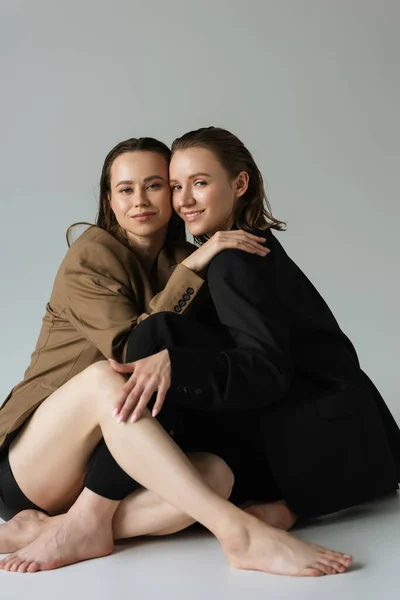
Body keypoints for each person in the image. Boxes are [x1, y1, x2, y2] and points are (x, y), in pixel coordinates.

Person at [28, 124, 398, 573]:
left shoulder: (210, 256)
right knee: (143, 351)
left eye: (167, 186)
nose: (156, 200)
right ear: (110, 201)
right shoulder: (100, 256)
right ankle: (111, 519)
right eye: (127, 190)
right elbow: (131, 348)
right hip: (46, 449)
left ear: (239, 184)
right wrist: (185, 311)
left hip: (122, 441)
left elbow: (254, 358)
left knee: (215, 479)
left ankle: (54, 529)